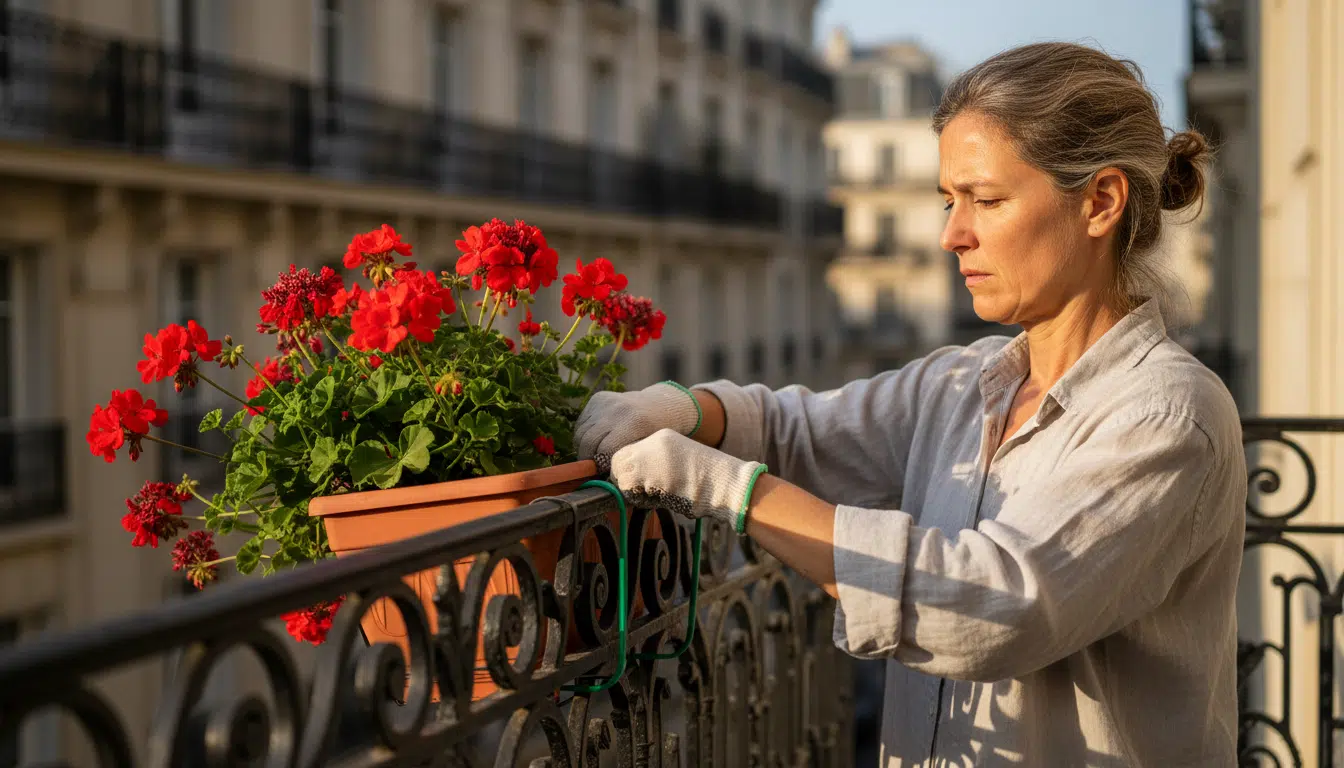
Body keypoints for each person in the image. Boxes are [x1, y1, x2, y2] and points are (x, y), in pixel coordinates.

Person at [575, 42, 1245, 766]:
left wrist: (724, 488)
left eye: (986, 200)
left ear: (1100, 201)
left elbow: (998, 607)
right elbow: (796, 429)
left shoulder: (1169, 412)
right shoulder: (961, 382)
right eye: (948, 201)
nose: (952, 235)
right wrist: (682, 408)